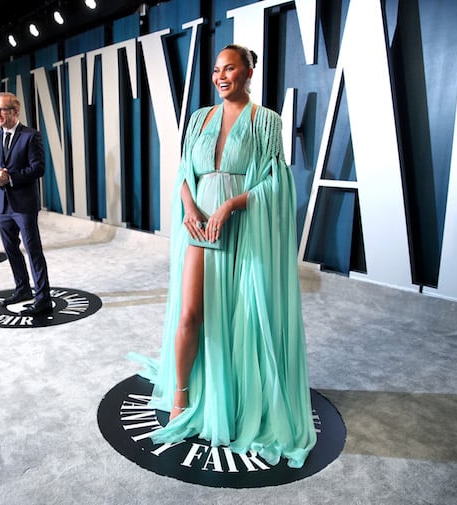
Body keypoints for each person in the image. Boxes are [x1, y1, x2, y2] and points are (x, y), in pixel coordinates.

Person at [129, 44, 316, 469]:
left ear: (249, 71)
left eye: (229, 68)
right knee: (189, 313)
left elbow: (275, 184)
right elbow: (183, 175)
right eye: (216, 70)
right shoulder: (200, 119)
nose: (220, 76)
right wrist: (191, 207)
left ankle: (234, 400)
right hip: (197, 228)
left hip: (243, 230)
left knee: (241, 319)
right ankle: (181, 393)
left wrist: (231, 206)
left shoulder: (267, 121)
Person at [0, 92, 52, 316]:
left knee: (33, 250)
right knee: (10, 249)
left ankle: (43, 299)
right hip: (2, 205)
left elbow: (38, 168)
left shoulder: (31, 136)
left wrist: (10, 177)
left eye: (2, 109)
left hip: (24, 204)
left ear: (15, 111)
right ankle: (22, 288)